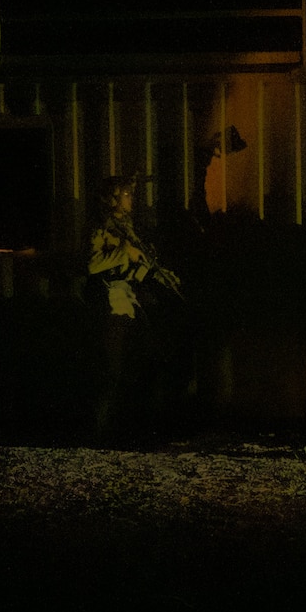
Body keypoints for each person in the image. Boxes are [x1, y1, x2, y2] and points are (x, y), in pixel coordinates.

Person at [87, 175, 181, 437]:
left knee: (145, 357)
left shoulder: (126, 226)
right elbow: (93, 264)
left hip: (128, 297)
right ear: (113, 199)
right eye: (126, 194)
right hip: (112, 301)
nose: (131, 199)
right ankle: (100, 430)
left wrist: (153, 271)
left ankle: (136, 425)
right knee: (112, 369)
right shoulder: (102, 227)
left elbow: (133, 268)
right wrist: (126, 253)